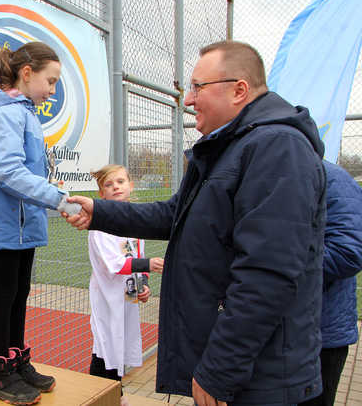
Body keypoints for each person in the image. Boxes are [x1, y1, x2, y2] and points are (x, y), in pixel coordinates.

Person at [65, 40, 326, 405]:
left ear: (238, 90)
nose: (188, 100)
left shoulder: (277, 148)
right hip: (244, 371)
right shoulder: (227, 148)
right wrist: (101, 211)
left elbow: (267, 275)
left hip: (261, 379)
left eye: (197, 87)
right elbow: (173, 215)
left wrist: (219, 368)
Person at [0, 41, 81, 405]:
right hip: (4, 223)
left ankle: (16, 362)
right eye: (51, 80)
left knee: (20, 292)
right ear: (27, 74)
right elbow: (6, 171)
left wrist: (48, 185)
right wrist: (56, 198)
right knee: (5, 294)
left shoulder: (24, 111)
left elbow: (25, 169)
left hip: (21, 222)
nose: (53, 90)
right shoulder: (5, 113)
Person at [87, 164, 163, 406]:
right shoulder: (99, 225)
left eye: (120, 182)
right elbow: (116, 264)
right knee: (105, 347)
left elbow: (135, 253)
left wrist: (142, 286)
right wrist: (149, 264)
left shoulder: (133, 218)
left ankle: (116, 395)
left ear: (130, 186)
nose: (115, 187)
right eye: (108, 185)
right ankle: (99, 398)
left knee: (119, 347)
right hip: (107, 298)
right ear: (101, 194)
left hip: (126, 297)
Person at [299, 160, 362, 406]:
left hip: (323, 331)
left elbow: (349, 253)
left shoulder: (333, 179)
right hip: (280, 331)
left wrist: (276, 264)